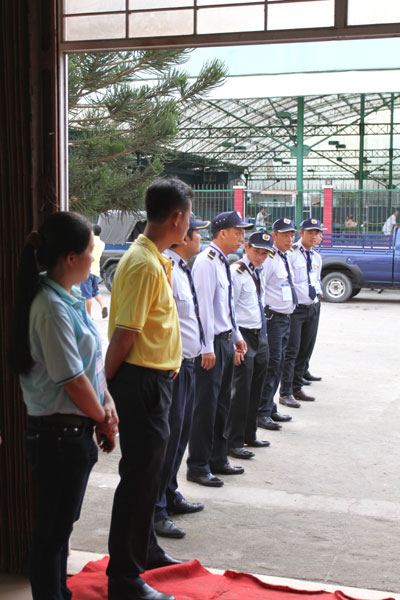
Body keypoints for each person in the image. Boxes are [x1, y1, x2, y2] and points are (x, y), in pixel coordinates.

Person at [8, 211, 118, 600]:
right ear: (70, 258)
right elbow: (71, 379)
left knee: (59, 531)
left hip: (73, 432)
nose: (94, 258)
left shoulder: (67, 298)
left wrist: (107, 405)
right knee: (51, 535)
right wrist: (103, 419)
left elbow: (89, 367)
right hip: (58, 436)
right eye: (91, 251)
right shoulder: (50, 307)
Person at [105, 178, 192, 600]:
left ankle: (146, 550)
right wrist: (105, 390)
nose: (189, 223)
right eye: (189, 216)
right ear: (177, 217)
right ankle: (124, 577)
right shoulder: (142, 263)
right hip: (141, 383)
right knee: (138, 478)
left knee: (150, 475)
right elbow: (124, 334)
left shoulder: (155, 258)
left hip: (156, 379)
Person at [154, 214, 210, 540]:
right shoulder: (165, 270)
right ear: (183, 239)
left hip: (187, 364)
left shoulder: (183, 270)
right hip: (172, 367)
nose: (201, 239)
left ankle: (170, 491)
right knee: (169, 438)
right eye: (198, 234)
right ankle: (157, 508)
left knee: (181, 436)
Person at [187, 211, 252, 487]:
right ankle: (198, 465)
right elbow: (201, 308)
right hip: (211, 345)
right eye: (238, 232)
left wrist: (236, 335)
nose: (242, 237)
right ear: (222, 232)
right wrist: (205, 347)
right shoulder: (206, 262)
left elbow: (226, 306)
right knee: (206, 406)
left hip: (225, 341)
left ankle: (218, 458)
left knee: (222, 403)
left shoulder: (224, 262)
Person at [225, 231, 273, 460]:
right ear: (246, 247)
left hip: (259, 335)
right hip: (242, 335)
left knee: (257, 388)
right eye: (257, 251)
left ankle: (249, 433)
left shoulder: (257, 271)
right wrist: (235, 342)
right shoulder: (237, 272)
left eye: (265, 253)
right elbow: (229, 310)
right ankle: (233, 442)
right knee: (241, 392)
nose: (261, 256)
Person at [257, 217, 297, 430]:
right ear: (274, 236)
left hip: (285, 318)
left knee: (279, 364)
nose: (290, 239)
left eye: (292, 234)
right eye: (285, 235)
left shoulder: (285, 257)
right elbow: (262, 291)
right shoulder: (270, 258)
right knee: (272, 366)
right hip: (273, 319)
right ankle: (262, 412)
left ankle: (269, 407)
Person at [279, 218, 324, 405]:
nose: (314, 236)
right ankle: (286, 392)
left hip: (312, 307)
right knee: (292, 351)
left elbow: (315, 280)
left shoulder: (316, 256)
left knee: (306, 348)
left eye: (317, 233)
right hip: (296, 310)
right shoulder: (290, 254)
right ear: (301, 233)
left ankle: (297, 387)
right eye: (310, 232)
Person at [80, 224, 108, 318]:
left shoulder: (89, 241)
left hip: (87, 271)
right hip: (96, 271)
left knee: (87, 295)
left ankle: (89, 316)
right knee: (95, 291)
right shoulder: (102, 244)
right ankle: (102, 306)